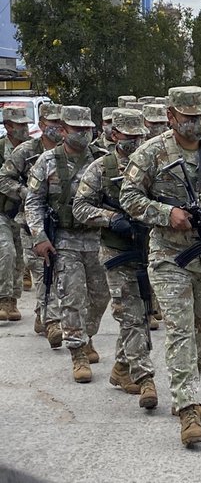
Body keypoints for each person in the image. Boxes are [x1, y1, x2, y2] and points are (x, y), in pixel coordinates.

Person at [119, 86, 201, 446]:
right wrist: (166, 213)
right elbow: (128, 196)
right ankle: (187, 408)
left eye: (200, 116)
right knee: (179, 329)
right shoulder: (152, 153)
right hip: (169, 256)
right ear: (172, 116)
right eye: (187, 117)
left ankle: (188, 385)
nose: (195, 123)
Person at [73, 108, 158, 409]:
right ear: (114, 135)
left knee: (143, 314)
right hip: (117, 254)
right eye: (128, 136)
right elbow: (80, 207)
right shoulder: (100, 168)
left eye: (139, 136)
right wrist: (110, 218)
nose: (134, 142)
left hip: (149, 250)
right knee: (132, 316)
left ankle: (122, 368)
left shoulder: (152, 165)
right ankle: (145, 378)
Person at [25, 106, 111, 381]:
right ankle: (78, 353)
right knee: (72, 297)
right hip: (64, 239)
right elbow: (34, 202)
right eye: (77, 129)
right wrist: (39, 236)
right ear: (63, 130)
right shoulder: (47, 161)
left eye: (87, 129)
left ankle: (87, 336)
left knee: (101, 296)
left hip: (98, 238)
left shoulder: (102, 160)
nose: (84, 134)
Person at [0, 103, 63, 336]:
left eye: (60, 123)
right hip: (21, 216)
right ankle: (49, 319)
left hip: (57, 220)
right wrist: (25, 193)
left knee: (56, 271)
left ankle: (41, 312)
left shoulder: (67, 151)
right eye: (53, 123)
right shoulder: (25, 151)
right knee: (30, 262)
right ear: (43, 124)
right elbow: (3, 179)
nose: (57, 128)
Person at [0, 106, 32, 322]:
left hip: (23, 213)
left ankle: (14, 300)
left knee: (20, 258)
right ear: (8, 127)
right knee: (6, 251)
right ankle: (4, 299)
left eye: (25, 124)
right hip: (2, 210)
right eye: (20, 125)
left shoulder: (32, 149)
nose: (24, 128)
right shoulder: (0, 148)